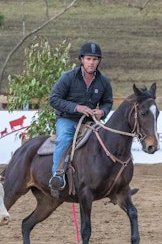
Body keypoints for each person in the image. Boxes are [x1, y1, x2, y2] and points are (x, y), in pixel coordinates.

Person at [47, 41, 113, 191]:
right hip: (67, 119)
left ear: (98, 61)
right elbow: (54, 99)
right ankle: (57, 176)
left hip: (91, 121)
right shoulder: (68, 77)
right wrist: (76, 108)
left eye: (95, 59)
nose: (91, 62)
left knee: (106, 141)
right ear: (82, 59)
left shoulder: (103, 81)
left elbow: (108, 102)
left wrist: (102, 112)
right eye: (88, 59)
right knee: (63, 139)